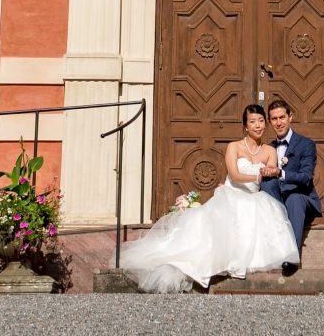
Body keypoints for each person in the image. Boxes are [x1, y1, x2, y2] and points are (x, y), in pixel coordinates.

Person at [119, 103, 299, 292]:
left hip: (255, 197)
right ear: (245, 126)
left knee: (264, 217)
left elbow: (271, 171)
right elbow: (235, 175)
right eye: (253, 122)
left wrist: (271, 171)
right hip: (232, 194)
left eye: (261, 121)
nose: (258, 125)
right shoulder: (234, 147)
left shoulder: (269, 151)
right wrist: (258, 175)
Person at [258, 98, 320, 275]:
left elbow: (306, 177)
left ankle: (293, 257)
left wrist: (281, 173)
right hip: (278, 201)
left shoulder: (306, 144)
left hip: (302, 199)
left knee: (293, 200)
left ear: (290, 117)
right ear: (269, 122)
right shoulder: (268, 148)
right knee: (267, 183)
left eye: (282, 117)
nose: (279, 123)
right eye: (274, 119)